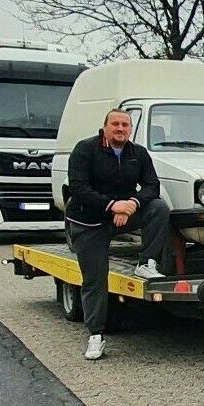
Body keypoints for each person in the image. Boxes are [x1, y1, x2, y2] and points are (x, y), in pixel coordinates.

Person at [66, 109, 170, 360]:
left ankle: (146, 263)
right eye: (115, 124)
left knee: (158, 208)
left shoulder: (138, 153)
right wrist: (113, 205)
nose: (120, 129)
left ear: (130, 129)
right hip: (89, 222)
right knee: (95, 279)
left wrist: (131, 203)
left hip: (121, 214)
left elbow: (152, 186)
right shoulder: (85, 149)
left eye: (125, 125)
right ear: (105, 127)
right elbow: (78, 189)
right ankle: (96, 336)